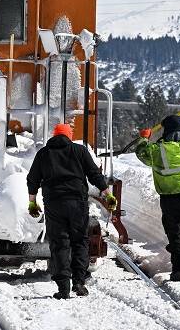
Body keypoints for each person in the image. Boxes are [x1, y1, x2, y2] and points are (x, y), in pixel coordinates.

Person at [26, 123, 117, 299]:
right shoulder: (79, 151)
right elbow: (94, 174)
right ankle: (79, 282)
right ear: (69, 136)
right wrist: (107, 194)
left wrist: (32, 202)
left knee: (59, 243)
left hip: (54, 204)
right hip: (77, 203)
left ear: (54, 135)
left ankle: (63, 288)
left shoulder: (44, 153)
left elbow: (33, 179)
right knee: (80, 242)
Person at [135, 96, 180, 281]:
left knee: (175, 234)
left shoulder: (157, 150)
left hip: (170, 200)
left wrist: (143, 139)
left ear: (165, 132)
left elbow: (141, 153)